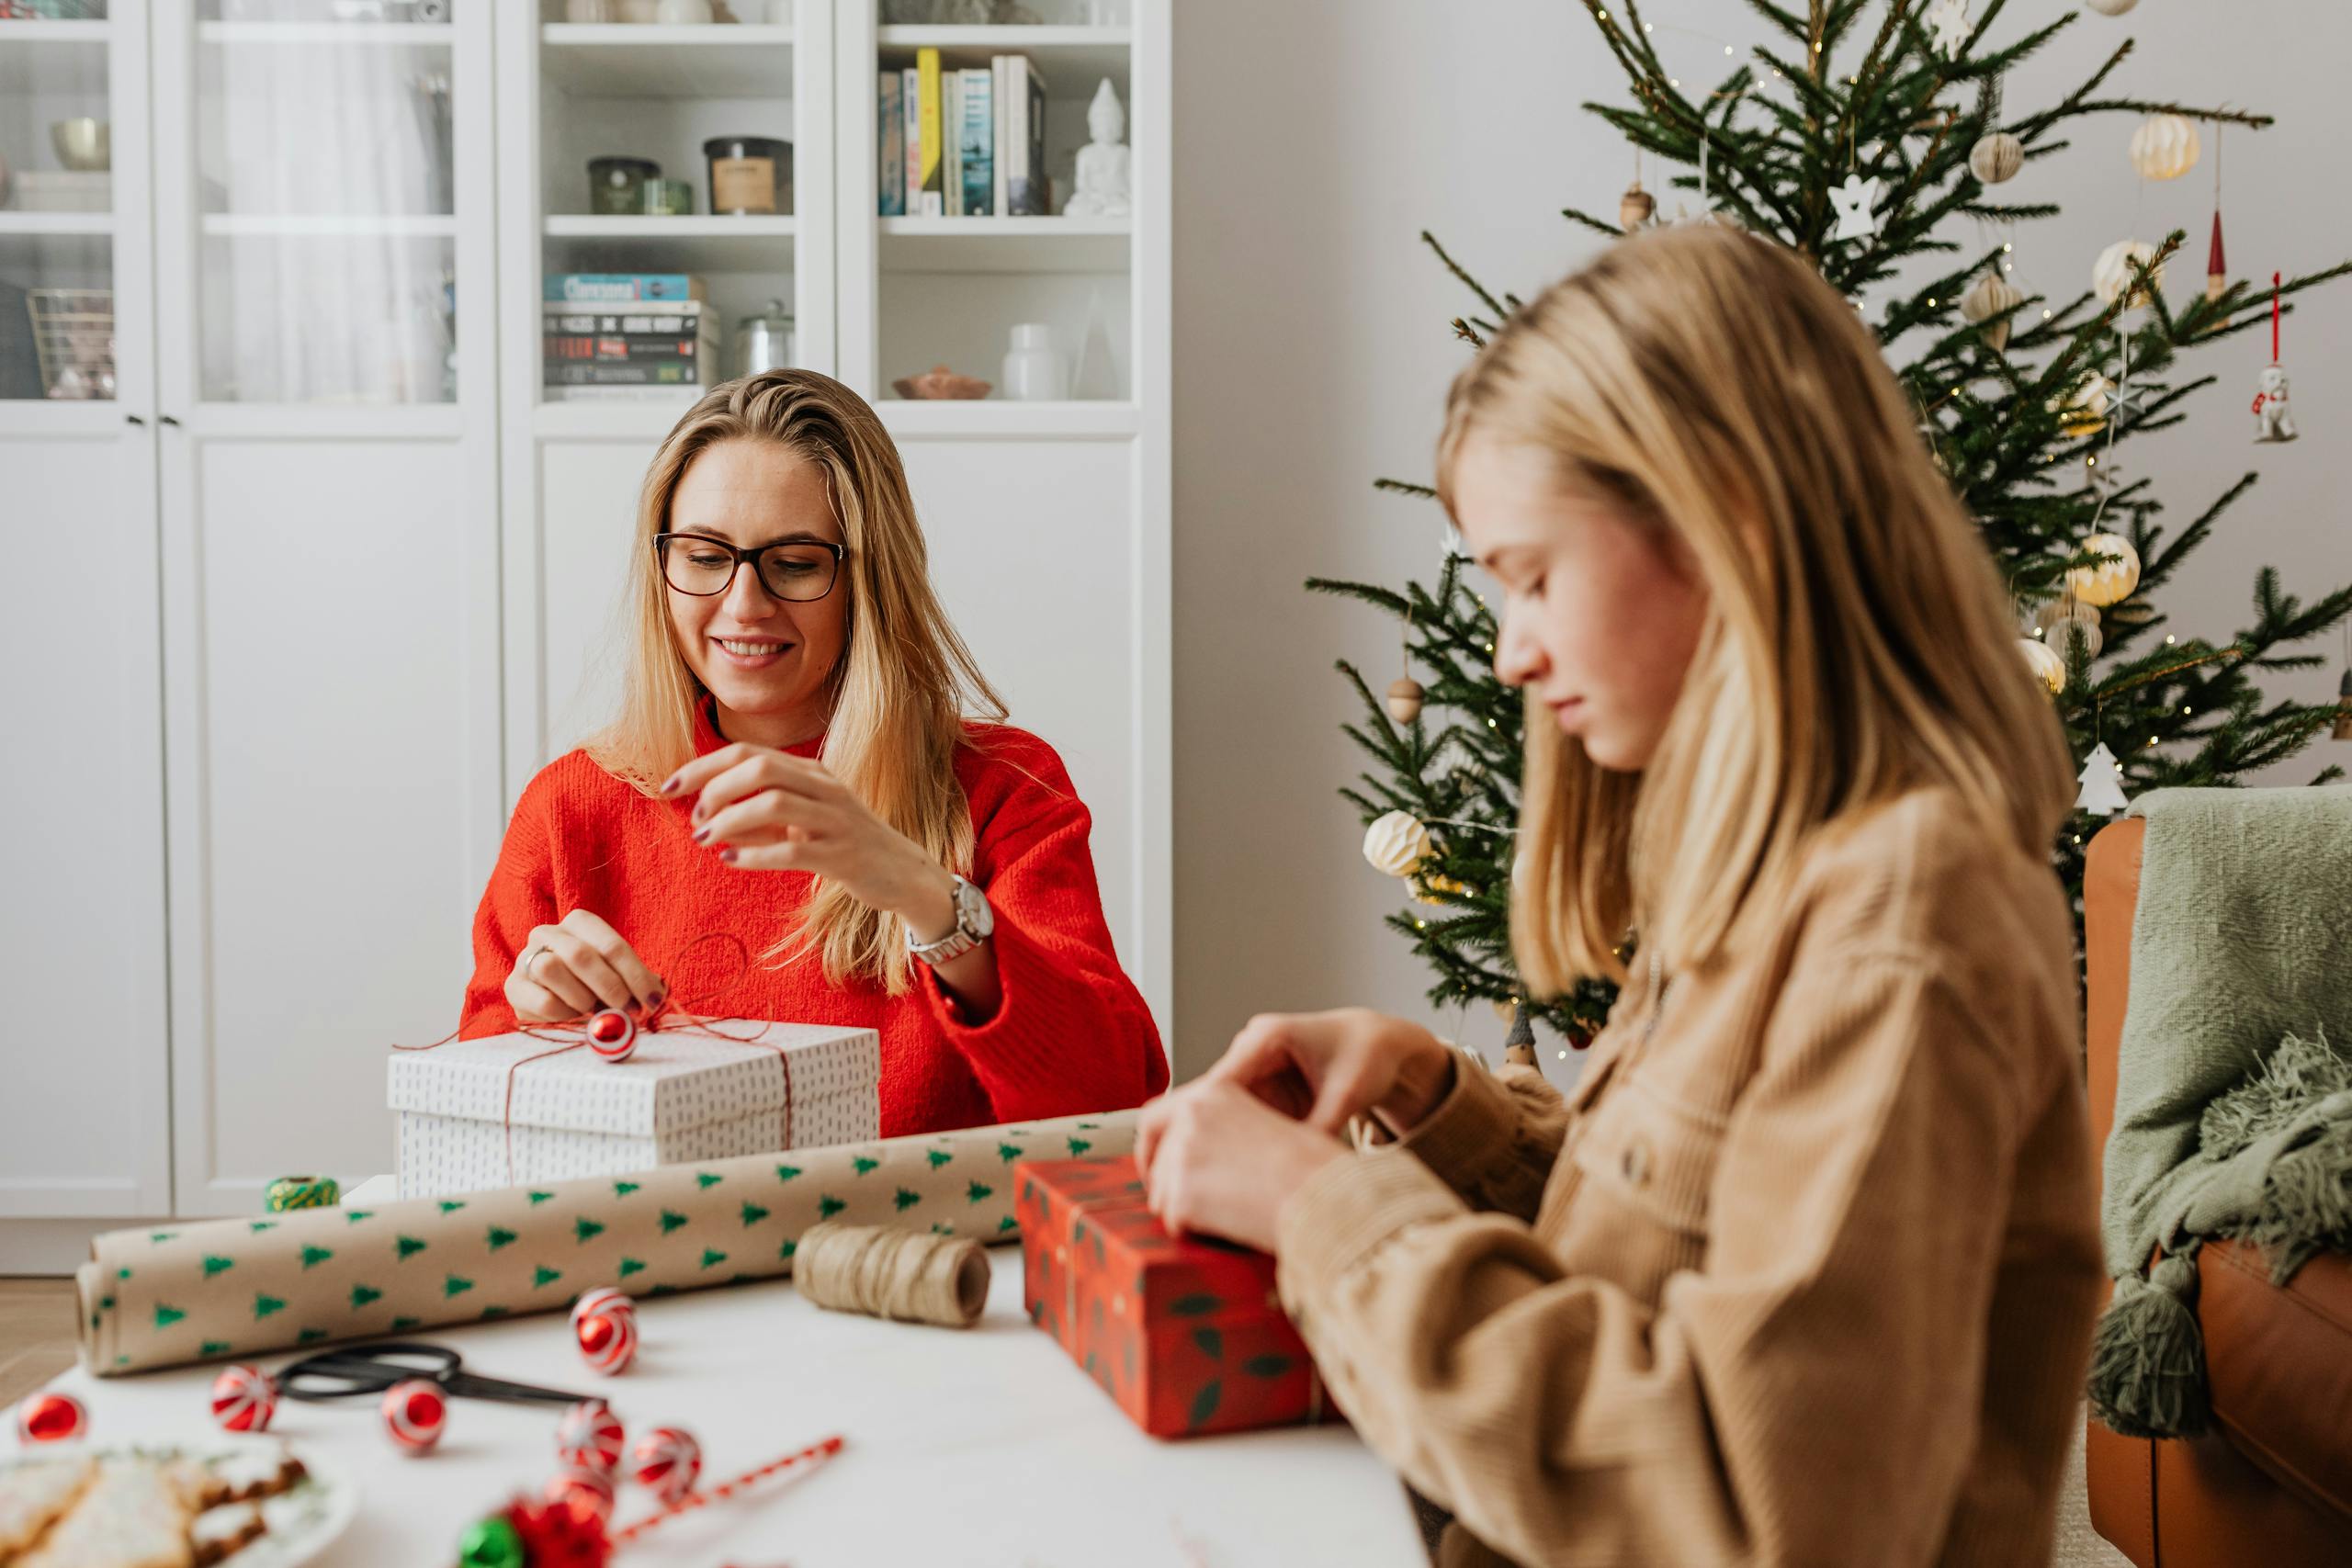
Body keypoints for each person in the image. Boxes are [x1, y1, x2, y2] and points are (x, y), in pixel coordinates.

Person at [1136, 226, 2103, 1566]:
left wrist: (1325, 1211)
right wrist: (1443, 1106)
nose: (1511, 649)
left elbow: (1763, 1506)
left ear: (1726, 521)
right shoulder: (1774, 867)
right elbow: (1673, 1258)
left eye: (1533, 576)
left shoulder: (1905, 922)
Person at [459, 369, 1166, 1136]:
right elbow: (477, 1132)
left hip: (914, 1255)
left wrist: (922, 892)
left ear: (869, 579)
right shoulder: (571, 806)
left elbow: (1114, 1096)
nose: (744, 604)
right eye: (702, 556)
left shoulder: (1004, 789)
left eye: (795, 563)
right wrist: (541, 1033)